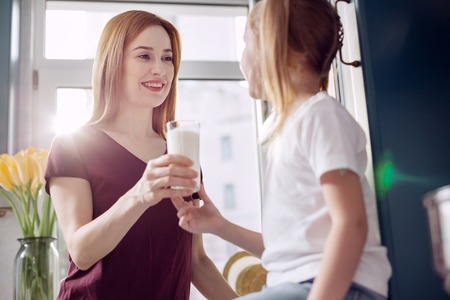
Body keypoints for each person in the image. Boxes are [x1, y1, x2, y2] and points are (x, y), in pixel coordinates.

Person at [171, 0, 392, 299]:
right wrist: (219, 226)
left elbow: (351, 223)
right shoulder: (289, 128)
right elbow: (289, 252)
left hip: (337, 288)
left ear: (279, 51)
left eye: (247, 45)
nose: (242, 60)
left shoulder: (320, 116)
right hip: (297, 284)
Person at [45, 10, 237, 300]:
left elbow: (196, 261)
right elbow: (81, 251)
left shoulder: (180, 154)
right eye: (144, 56)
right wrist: (139, 195)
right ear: (114, 63)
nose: (160, 69)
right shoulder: (73, 145)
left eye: (167, 58)